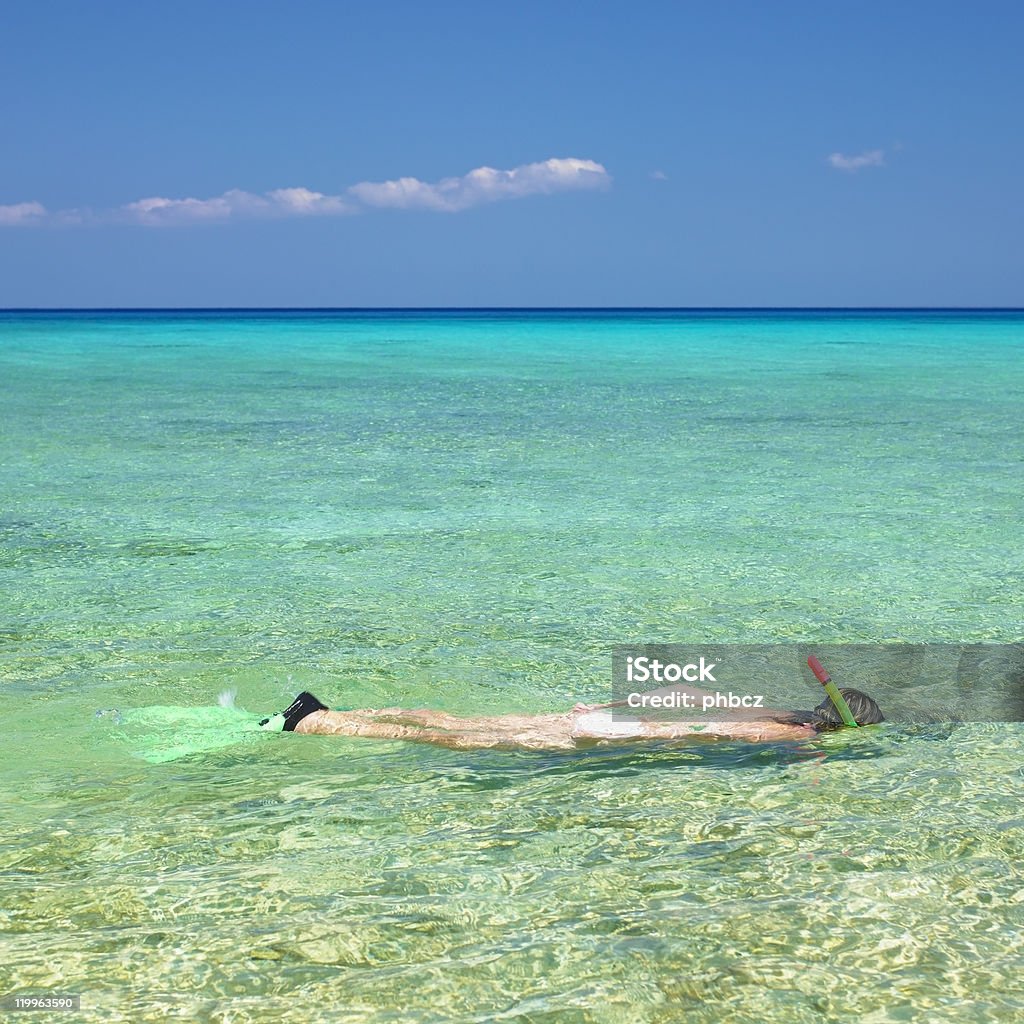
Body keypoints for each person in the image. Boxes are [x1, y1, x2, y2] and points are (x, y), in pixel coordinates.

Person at [259, 683, 883, 752]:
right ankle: (311, 724)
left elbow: (682, 698)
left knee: (461, 722)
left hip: (599, 719)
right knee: (457, 739)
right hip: (601, 738)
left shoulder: (776, 710)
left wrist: (595, 708)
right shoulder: (796, 735)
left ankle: (322, 710)